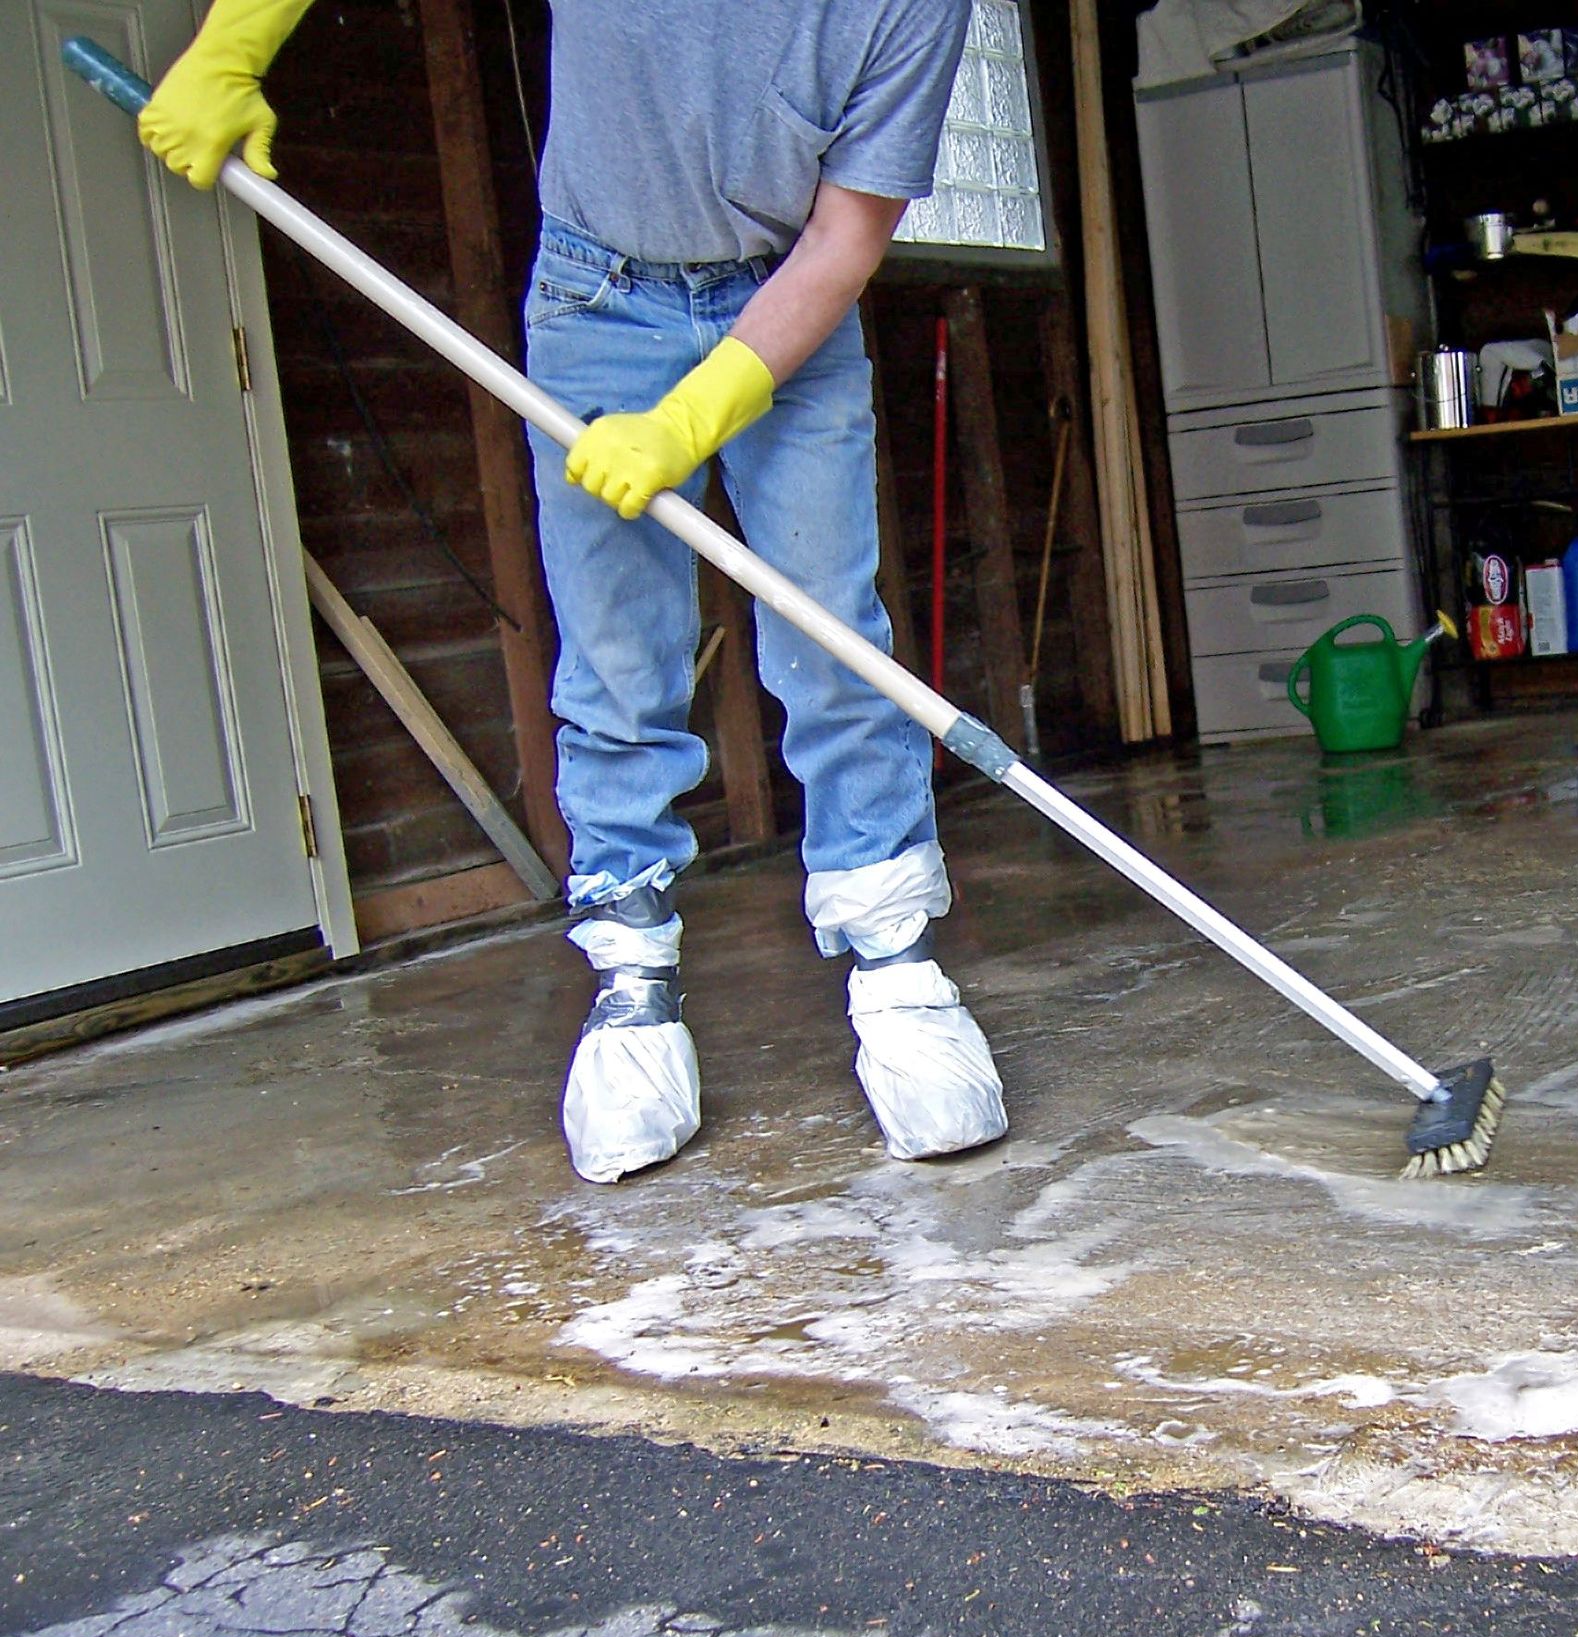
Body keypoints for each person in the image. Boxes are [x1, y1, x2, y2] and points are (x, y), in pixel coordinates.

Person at [137, 0, 1008, 1182]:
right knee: (615, 656)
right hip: (600, 293)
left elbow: (845, 242)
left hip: (787, 297)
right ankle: (633, 978)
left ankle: (896, 967)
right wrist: (236, 44)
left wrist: (693, 416)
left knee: (831, 637)